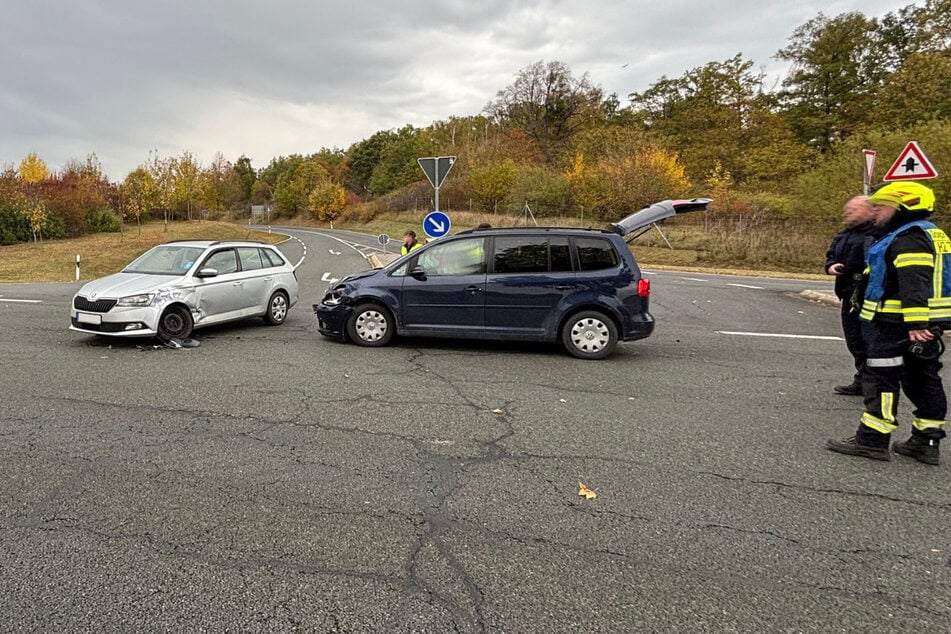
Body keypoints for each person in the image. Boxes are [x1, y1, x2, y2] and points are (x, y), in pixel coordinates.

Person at [827, 182, 949, 465]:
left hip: (896, 325)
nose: (877, 211)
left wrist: (916, 322)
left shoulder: (908, 238)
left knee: (881, 379)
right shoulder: (930, 233)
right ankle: (926, 441)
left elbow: (913, 281)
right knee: (923, 380)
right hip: (920, 326)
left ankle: (872, 439)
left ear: (904, 206)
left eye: (883, 206)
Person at [824, 196, 874, 395]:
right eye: (848, 210)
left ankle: (874, 382)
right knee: (854, 340)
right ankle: (862, 379)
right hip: (849, 293)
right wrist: (831, 266)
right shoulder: (845, 234)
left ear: (869, 211)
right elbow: (831, 255)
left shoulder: (878, 233)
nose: (848, 214)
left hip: (868, 294)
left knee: (870, 340)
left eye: (854, 210)